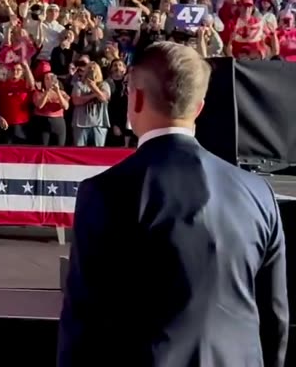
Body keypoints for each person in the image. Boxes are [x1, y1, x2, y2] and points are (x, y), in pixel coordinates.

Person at [58, 42, 288, 367]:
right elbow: (275, 315)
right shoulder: (258, 193)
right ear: (198, 107)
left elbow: (84, 322)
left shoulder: (107, 192)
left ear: (135, 98)